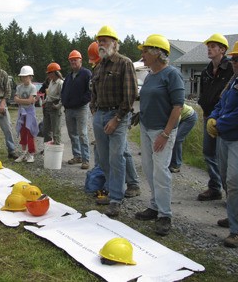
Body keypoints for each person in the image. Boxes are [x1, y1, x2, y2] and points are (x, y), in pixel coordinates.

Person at [135, 34, 184, 236]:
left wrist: (165, 134)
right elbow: (148, 100)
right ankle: (155, 206)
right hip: (147, 129)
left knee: (161, 172)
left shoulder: (171, 75)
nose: (143, 55)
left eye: (145, 51)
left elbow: (178, 106)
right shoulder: (150, 76)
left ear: (157, 53)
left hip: (162, 132)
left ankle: (165, 215)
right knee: (148, 168)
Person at [91, 26, 137, 217]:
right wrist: (94, 110)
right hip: (100, 115)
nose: (101, 44)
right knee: (103, 158)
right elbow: (93, 91)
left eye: (105, 40)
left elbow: (131, 94)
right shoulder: (99, 66)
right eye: (99, 41)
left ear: (115, 44)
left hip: (117, 116)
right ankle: (111, 191)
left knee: (116, 158)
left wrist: (117, 119)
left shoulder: (124, 63)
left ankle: (116, 200)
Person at [207, 41, 238, 248]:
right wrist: (213, 117)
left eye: (237, 59)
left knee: (235, 183)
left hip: (234, 137)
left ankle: (235, 232)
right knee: (228, 182)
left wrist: (219, 122)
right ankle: (233, 216)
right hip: (224, 137)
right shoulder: (233, 81)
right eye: (234, 59)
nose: (235, 62)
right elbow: (221, 103)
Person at [197, 34, 233, 201]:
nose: (209, 49)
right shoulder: (206, 71)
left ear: (223, 50)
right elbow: (204, 93)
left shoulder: (231, 69)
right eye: (208, 46)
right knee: (209, 153)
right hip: (208, 116)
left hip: (226, 120)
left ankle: (231, 197)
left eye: (213, 46)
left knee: (224, 158)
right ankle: (215, 187)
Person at [61, 50, 91, 170]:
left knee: (82, 134)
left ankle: (86, 159)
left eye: (75, 59)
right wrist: (64, 102)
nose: (73, 61)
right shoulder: (68, 76)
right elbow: (64, 91)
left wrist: (81, 101)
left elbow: (89, 92)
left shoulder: (86, 74)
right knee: (72, 134)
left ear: (80, 60)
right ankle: (77, 156)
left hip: (81, 108)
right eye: (71, 60)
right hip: (69, 109)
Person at [14, 66, 39, 163]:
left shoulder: (33, 87)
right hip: (22, 113)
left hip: (30, 113)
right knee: (22, 132)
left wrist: (20, 101)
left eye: (26, 76)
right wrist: (25, 101)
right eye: (23, 76)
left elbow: (30, 101)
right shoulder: (19, 87)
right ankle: (24, 152)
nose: (24, 78)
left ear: (30, 77)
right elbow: (17, 99)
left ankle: (31, 153)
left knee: (31, 132)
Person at [169, 103, 198, 173]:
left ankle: (175, 165)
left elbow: (177, 117)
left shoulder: (170, 101)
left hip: (189, 117)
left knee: (177, 139)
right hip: (180, 117)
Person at [43, 62, 64, 145]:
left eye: (50, 73)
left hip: (55, 106)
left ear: (55, 73)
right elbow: (49, 94)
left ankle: (56, 147)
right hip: (48, 105)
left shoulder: (60, 83)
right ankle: (47, 149)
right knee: (46, 130)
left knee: (56, 130)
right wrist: (45, 101)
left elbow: (63, 96)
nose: (48, 75)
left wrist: (58, 106)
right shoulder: (51, 82)